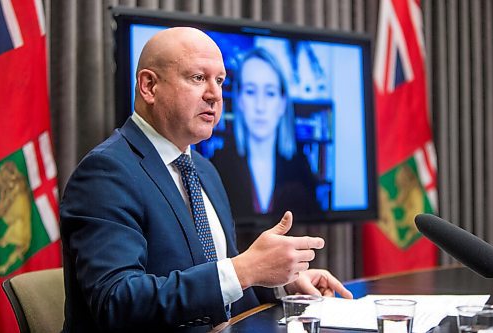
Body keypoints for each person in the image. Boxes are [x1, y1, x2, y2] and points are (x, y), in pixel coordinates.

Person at [60, 27, 352, 333]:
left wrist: (281, 284)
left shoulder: (203, 170)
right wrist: (244, 269)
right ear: (149, 86)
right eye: (198, 78)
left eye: (220, 80)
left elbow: (216, 280)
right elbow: (116, 302)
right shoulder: (106, 172)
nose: (215, 94)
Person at [212, 47, 320, 217]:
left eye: (270, 93)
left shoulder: (300, 166)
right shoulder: (216, 166)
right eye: (250, 91)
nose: (260, 106)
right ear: (239, 99)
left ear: (282, 103)